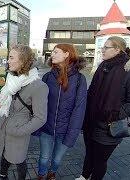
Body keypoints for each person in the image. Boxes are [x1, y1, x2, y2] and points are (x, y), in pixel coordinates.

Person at [76, 36, 130, 180]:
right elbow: (92, 92)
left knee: (99, 161)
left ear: (117, 50)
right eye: (102, 47)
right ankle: (84, 176)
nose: (101, 50)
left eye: (106, 47)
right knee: (90, 153)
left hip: (110, 126)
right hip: (91, 121)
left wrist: (112, 115)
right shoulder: (103, 66)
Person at [0, 45, 49, 180]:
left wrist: (19, 131)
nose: (8, 61)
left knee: (18, 160)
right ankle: (2, 175)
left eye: (11, 58)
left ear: (22, 61)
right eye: (8, 57)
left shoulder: (39, 86)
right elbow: (5, 102)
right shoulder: (12, 77)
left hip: (18, 131)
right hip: (4, 125)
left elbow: (40, 118)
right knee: (4, 153)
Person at [34, 44, 87, 180]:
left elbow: (79, 109)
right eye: (52, 52)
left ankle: (52, 174)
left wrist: (72, 133)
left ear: (66, 54)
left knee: (57, 159)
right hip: (47, 127)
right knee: (44, 157)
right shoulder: (47, 76)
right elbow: (39, 103)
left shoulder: (80, 79)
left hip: (66, 129)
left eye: (56, 52)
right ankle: (41, 175)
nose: (52, 54)